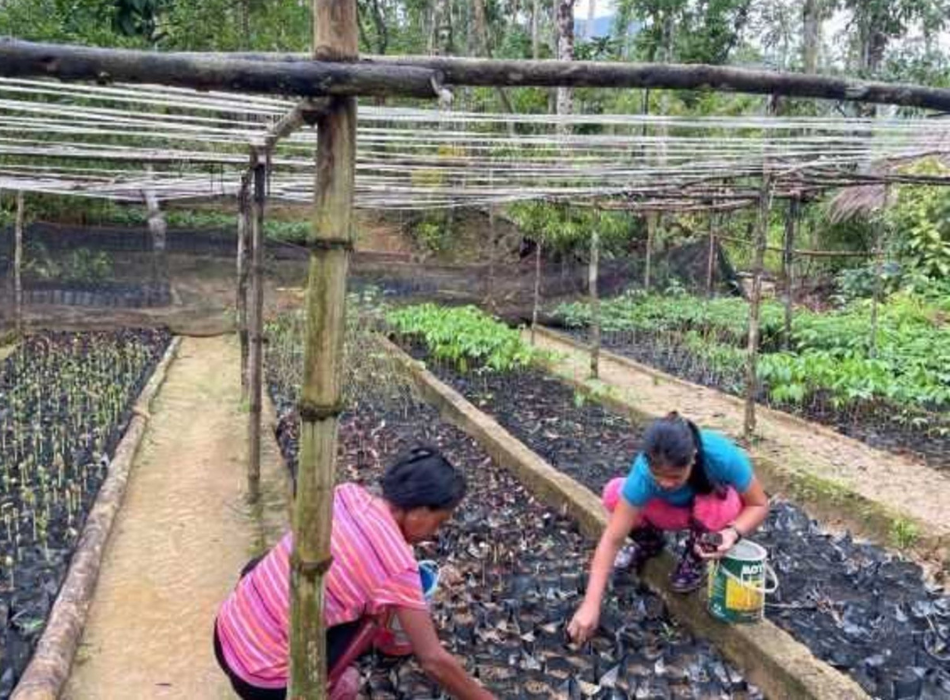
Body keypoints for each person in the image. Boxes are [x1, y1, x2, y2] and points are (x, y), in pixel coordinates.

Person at [214, 446, 496, 700]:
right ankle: (328, 688)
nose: (436, 533)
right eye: (439, 522)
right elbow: (433, 660)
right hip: (263, 681)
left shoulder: (347, 494)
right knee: (360, 647)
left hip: (225, 630)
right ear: (420, 511)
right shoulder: (398, 566)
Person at [567, 412, 769, 644]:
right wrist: (590, 605)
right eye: (658, 476)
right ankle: (650, 540)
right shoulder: (643, 474)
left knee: (722, 504)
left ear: (692, 457)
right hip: (669, 511)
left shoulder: (720, 455)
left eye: (675, 476)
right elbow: (612, 539)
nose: (665, 483)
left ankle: (696, 555)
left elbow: (759, 504)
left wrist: (732, 533)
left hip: (709, 513)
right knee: (615, 494)